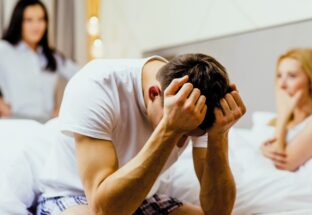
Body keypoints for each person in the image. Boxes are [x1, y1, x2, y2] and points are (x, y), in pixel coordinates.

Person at [37, 54, 246, 214]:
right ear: (154, 94)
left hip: (140, 198)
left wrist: (219, 136)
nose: (181, 142)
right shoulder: (96, 85)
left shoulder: (194, 101)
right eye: (181, 133)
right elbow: (104, 209)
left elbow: (218, 211)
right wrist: (169, 130)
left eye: (188, 135)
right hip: (77, 197)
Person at [261, 48, 312, 171]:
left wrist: (283, 114)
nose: (282, 85)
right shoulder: (273, 121)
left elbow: (281, 165)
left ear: (311, 81)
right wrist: (262, 151)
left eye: (292, 76)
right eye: (279, 76)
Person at [0, 0, 78, 122]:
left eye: (41, 19)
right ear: (18, 22)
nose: (36, 26)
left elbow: (83, 76)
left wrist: (68, 108)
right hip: (14, 123)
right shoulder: (4, 49)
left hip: (47, 125)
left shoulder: (52, 56)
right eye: (29, 20)